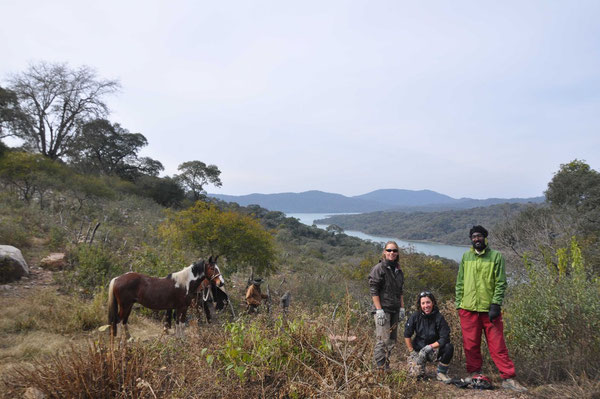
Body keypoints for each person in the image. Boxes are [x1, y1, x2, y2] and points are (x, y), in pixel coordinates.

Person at [455, 225, 527, 392]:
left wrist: (495, 304)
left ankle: (508, 378)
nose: (476, 239)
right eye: (473, 237)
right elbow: (460, 282)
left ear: (485, 238)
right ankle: (475, 374)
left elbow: (501, 282)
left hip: (489, 310)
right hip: (468, 308)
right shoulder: (466, 257)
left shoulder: (496, 257)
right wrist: (459, 304)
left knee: (497, 345)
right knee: (471, 345)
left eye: (479, 236)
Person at [369, 241, 405, 370]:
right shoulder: (379, 268)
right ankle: (379, 368)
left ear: (397, 253)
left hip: (395, 309)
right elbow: (374, 289)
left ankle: (386, 366)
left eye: (394, 250)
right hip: (383, 310)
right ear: (384, 252)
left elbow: (400, 291)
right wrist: (379, 310)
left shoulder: (398, 270)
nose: (392, 253)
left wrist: (402, 308)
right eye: (389, 250)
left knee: (391, 340)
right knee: (382, 340)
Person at [404, 291, 453, 382]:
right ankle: (420, 369)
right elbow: (407, 334)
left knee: (448, 347)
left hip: (433, 350)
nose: (426, 306)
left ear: (433, 303)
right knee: (416, 376)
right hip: (418, 351)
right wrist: (411, 351)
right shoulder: (415, 316)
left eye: (428, 302)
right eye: (423, 303)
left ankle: (441, 373)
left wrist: (430, 347)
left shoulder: (439, 317)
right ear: (420, 304)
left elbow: (445, 338)